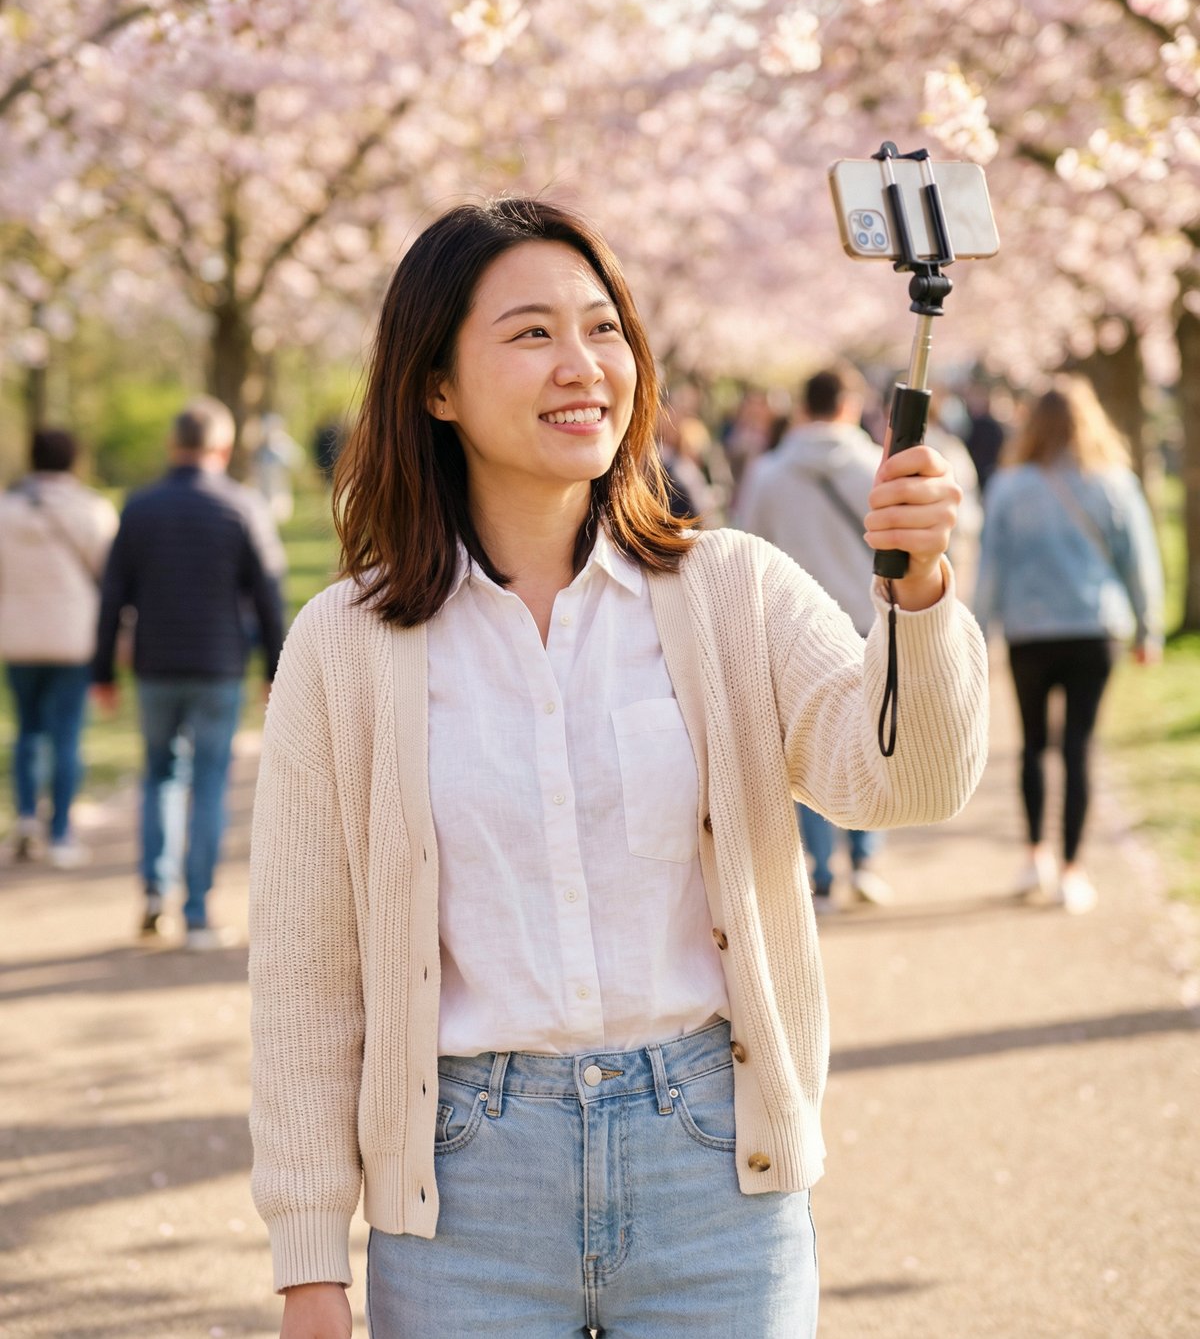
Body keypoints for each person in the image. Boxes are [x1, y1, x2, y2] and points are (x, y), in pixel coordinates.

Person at [248, 198, 988, 1339]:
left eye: (604, 328)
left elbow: (907, 782)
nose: (583, 363)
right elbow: (306, 969)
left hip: (713, 1164)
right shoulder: (344, 645)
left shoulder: (733, 590)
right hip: (462, 1193)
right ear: (435, 383)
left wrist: (922, 595)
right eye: (532, 332)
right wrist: (309, 1259)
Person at [93, 398, 285, 948]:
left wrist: (102, 670)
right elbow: (269, 592)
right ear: (221, 449)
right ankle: (198, 911)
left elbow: (112, 595)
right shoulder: (242, 506)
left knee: (158, 776)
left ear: (173, 447)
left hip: (155, 666)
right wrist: (275, 666)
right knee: (209, 783)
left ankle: (155, 893)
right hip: (218, 665)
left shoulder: (139, 508)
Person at [973, 376, 1163, 915]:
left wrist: (978, 636)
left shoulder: (1009, 487)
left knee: (1033, 745)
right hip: (1094, 629)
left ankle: (1036, 854)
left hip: (1030, 632)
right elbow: (1140, 562)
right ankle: (1073, 870)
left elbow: (990, 569)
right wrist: (1148, 629)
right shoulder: (1113, 482)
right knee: (1079, 747)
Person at [738, 366, 895, 913]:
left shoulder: (769, 474)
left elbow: (746, 546)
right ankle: (868, 857)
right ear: (848, 406)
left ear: (804, 407)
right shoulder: (874, 467)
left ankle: (823, 869)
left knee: (807, 744)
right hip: (866, 617)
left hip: (794, 629)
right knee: (876, 737)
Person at [0, 429, 118, 867]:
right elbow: (111, 578)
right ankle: (61, 832)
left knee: (28, 730)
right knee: (66, 735)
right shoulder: (92, 511)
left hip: (17, 636)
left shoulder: (6, 510)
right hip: (73, 637)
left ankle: (27, 817)